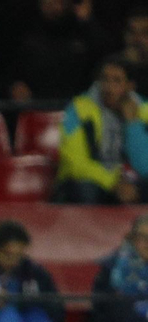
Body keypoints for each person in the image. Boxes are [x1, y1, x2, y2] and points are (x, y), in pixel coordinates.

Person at [54, 58, 148, 205]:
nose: (108, 88)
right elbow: (75, 163)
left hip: (129, 180)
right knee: (86, 189)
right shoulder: (79, 110)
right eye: (104, 79)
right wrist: (112, 182)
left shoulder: (143, 112)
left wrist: (133, 124)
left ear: (130, 86)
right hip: (92, 181)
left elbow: (145, 167)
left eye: (116, 81)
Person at [8, 0, 106, 103]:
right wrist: (15, 85)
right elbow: (11, 70)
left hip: (77, 105)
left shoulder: (82, 32)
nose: (54, 7)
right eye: (49, 3)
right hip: (36, 105)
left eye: (59, 2)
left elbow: (104, 58)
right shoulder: (27, 34)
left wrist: (88, 22)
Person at [84, 214, 148, 322]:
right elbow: (114, 318)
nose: (147, 243)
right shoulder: (114, 271)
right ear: (132, 239)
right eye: (142, 237)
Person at [112, 5, 148, 97]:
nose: (138, 39)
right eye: (132, 32)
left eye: (145, 33)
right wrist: (127, 64)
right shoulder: (111, 66)